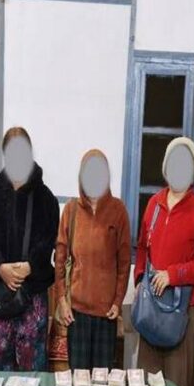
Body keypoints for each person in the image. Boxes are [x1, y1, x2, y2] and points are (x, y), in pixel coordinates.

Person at [134, 136, 194, 386]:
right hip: (151, 307)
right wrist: (139, 280)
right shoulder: (154, 205)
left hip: (182, 311)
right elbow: (142, 248)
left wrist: (174, 275)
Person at [0, 127, 59, 371]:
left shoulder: (46, 199)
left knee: (33, 375)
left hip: (33, 298)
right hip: (0, 296)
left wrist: (31, 265)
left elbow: (50, 240)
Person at [54, 149, 130, 369]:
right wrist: (62, 301)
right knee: (78, 380)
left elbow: (124, 262)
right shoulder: (71, 211)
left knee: (102, 382)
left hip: (106, 314)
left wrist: (118, 301)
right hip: (76, 313)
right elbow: (60, 261)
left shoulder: (118, 210)